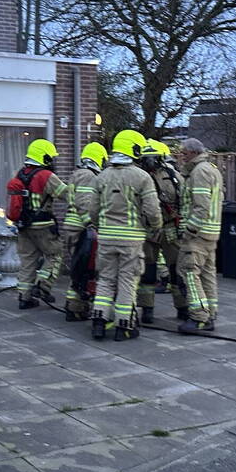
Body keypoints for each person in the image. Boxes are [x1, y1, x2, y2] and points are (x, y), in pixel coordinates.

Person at [88, 130, 162, 341]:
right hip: (131, 239)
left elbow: (92, 209)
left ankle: (98, 323)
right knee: (127, 281)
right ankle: (124, 326)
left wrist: (98, 226)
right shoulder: (142, 177)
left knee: (105, 279)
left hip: (106, 238)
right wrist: (156, 227)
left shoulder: (101, 176)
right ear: (134, 149)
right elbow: (152, 210)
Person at [11, 138, 68, 309]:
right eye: (51, 157)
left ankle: (24, 297)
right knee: (55, 255)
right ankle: (42, 286)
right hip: (43, 226)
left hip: (24, 226)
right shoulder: (46, 175)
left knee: (28, 261)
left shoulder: (20, 174)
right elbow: (66, 195)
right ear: (44, 158)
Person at [136, 139, 187, 323]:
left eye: (153, 158)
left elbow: (185, 198)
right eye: (146, 158)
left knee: (176, 269)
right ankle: (147, 309)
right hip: (148, 229)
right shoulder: (139, 177)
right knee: (148, 270)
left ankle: (182, 307)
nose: (150, 162)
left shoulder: (173, 175)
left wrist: (182, 222)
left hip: (170, 228)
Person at [176, 138, 224, 333]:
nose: (180, 156)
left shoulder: (199, 172)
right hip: (211, 232)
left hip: (198, 235)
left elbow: (200, 205)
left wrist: (189, 231)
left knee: (189, 273)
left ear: (193, 153)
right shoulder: (211, 168)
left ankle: (198, 317)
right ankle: (210, 313)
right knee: (207, 274)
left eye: (183, 153)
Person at [62, 141, 108, 321]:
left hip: (73, 226)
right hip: (81, 229)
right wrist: (91, 225)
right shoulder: (89, 176)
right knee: (84, 271)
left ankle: (74, 307)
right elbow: (85, 203)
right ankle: (75, 308)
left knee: (78, 269)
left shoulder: (77, 173)